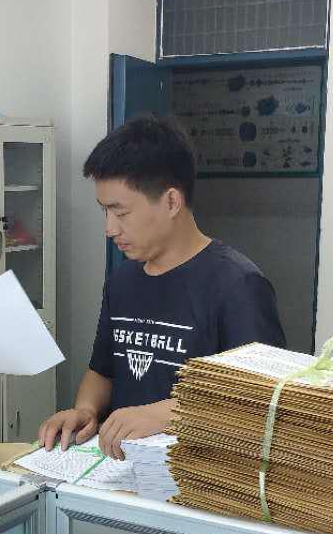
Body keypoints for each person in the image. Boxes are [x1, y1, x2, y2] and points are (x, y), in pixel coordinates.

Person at [38, 115, 286, 460]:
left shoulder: (237, 285)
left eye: (120, 212)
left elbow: (262, 400)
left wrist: (163, 414)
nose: (110, 228)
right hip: (122, 468)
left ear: (171, 202)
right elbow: (103, 371)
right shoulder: (122, 281)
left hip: (199, 473)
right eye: (105, 211)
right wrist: (86, 410)